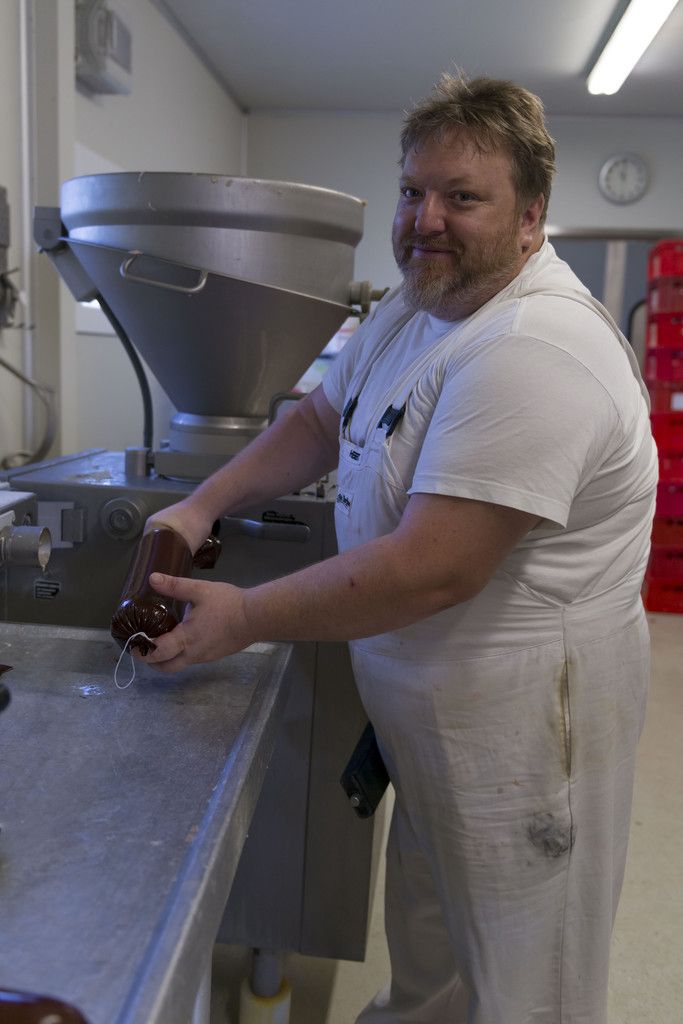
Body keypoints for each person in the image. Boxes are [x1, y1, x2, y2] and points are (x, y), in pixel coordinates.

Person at [140, 74, 658, 1023]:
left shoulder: (532, 351)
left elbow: (437, 565)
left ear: (530, 214)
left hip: (531, 732)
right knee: (436, 953)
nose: (426, 219)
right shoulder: (419, 302)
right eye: (414, 190)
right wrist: (203, 502)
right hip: (435, 711)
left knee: (523, 984)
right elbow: (320, 423)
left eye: (463, 197)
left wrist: (247, 616)